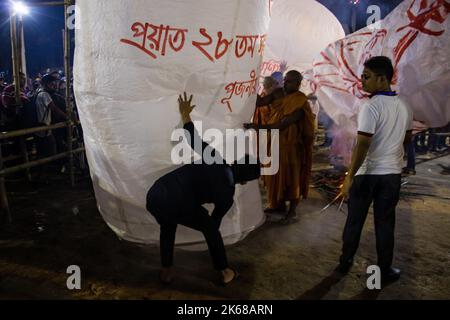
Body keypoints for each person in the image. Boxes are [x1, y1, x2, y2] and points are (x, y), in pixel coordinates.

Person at [146, 92, 260, 285]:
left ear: (235, 161)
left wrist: (185, 114)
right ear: (244, 182)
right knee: (209, 230)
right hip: (176, 202)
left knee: (168, 224)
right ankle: (224, 271)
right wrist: (202, 213)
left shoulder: (215, 157)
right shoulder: (226, 197)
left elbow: (192, 138)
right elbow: (213, 225)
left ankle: (166, 271)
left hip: (156, 193)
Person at [338, 56, 413, 284]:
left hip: (368, 174)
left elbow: (362, 144)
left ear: (382, 78)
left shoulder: (370, 106)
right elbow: (407, 139)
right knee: (385, 223)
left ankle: (345, 262)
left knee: (354, 221)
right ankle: (385, 269)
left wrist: (350, 176)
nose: (362, 81)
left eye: (366, 76)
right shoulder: (405, 105)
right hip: (391, 175)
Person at [245, 70, 315, 223]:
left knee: (291, 177)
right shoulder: (278, 93)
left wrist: (256, 127)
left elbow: (281, 124)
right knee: (274, 176)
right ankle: (278, 204)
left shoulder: (299, 101)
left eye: (289, 81)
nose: (285, 83)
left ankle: (292, 211)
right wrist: (249, 84)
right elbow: (260, 102)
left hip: (290, 147)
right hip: (273, 143)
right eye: (285, 80)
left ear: (297, 83)